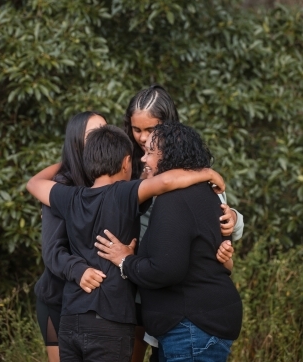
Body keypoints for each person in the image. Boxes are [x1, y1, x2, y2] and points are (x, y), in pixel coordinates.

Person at [27, 125, 226, 362]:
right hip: (110, 321)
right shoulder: (124, 193)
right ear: (125, 163)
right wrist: (207, 173)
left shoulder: (70, 198)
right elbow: (165, 182)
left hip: (70, 319)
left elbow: (34, 183)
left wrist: (70, 160)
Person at [95, 122, 243, 362]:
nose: (144, 159)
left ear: (170, 157)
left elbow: (166, 269)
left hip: (192, 327)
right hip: (199, 324)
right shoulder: (203, 191)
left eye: (151, 153)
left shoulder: (174, 199)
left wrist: (125, 260)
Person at [34, 111, 107, 362]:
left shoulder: (112, 180)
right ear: (76, 142)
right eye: (92, 135)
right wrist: (80, 271)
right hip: (58, 301)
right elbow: (52, 251)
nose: (99, 139)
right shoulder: (61, 187)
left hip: (96, 306)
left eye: (103, 132)